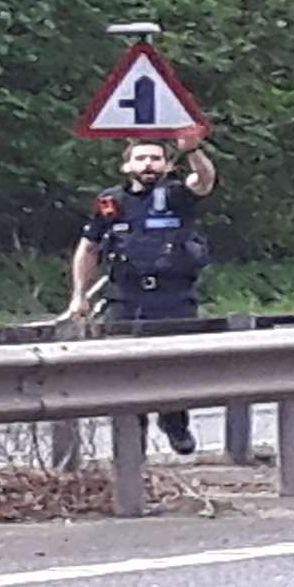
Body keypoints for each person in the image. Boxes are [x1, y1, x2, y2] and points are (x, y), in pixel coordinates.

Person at [68, 134, 217, 454]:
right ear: (126, 165)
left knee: (174, 366)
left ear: (165, 164)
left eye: (155, 158)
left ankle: (175, 421)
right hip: (125, 297)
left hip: (173, 297)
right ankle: (132, 440)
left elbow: (204, 180)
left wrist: (192, 150)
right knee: (125, 370)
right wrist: (79, 295)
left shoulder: (178, 194)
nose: (148, 164)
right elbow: (88, 249)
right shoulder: (110, 202)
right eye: (140, 158)